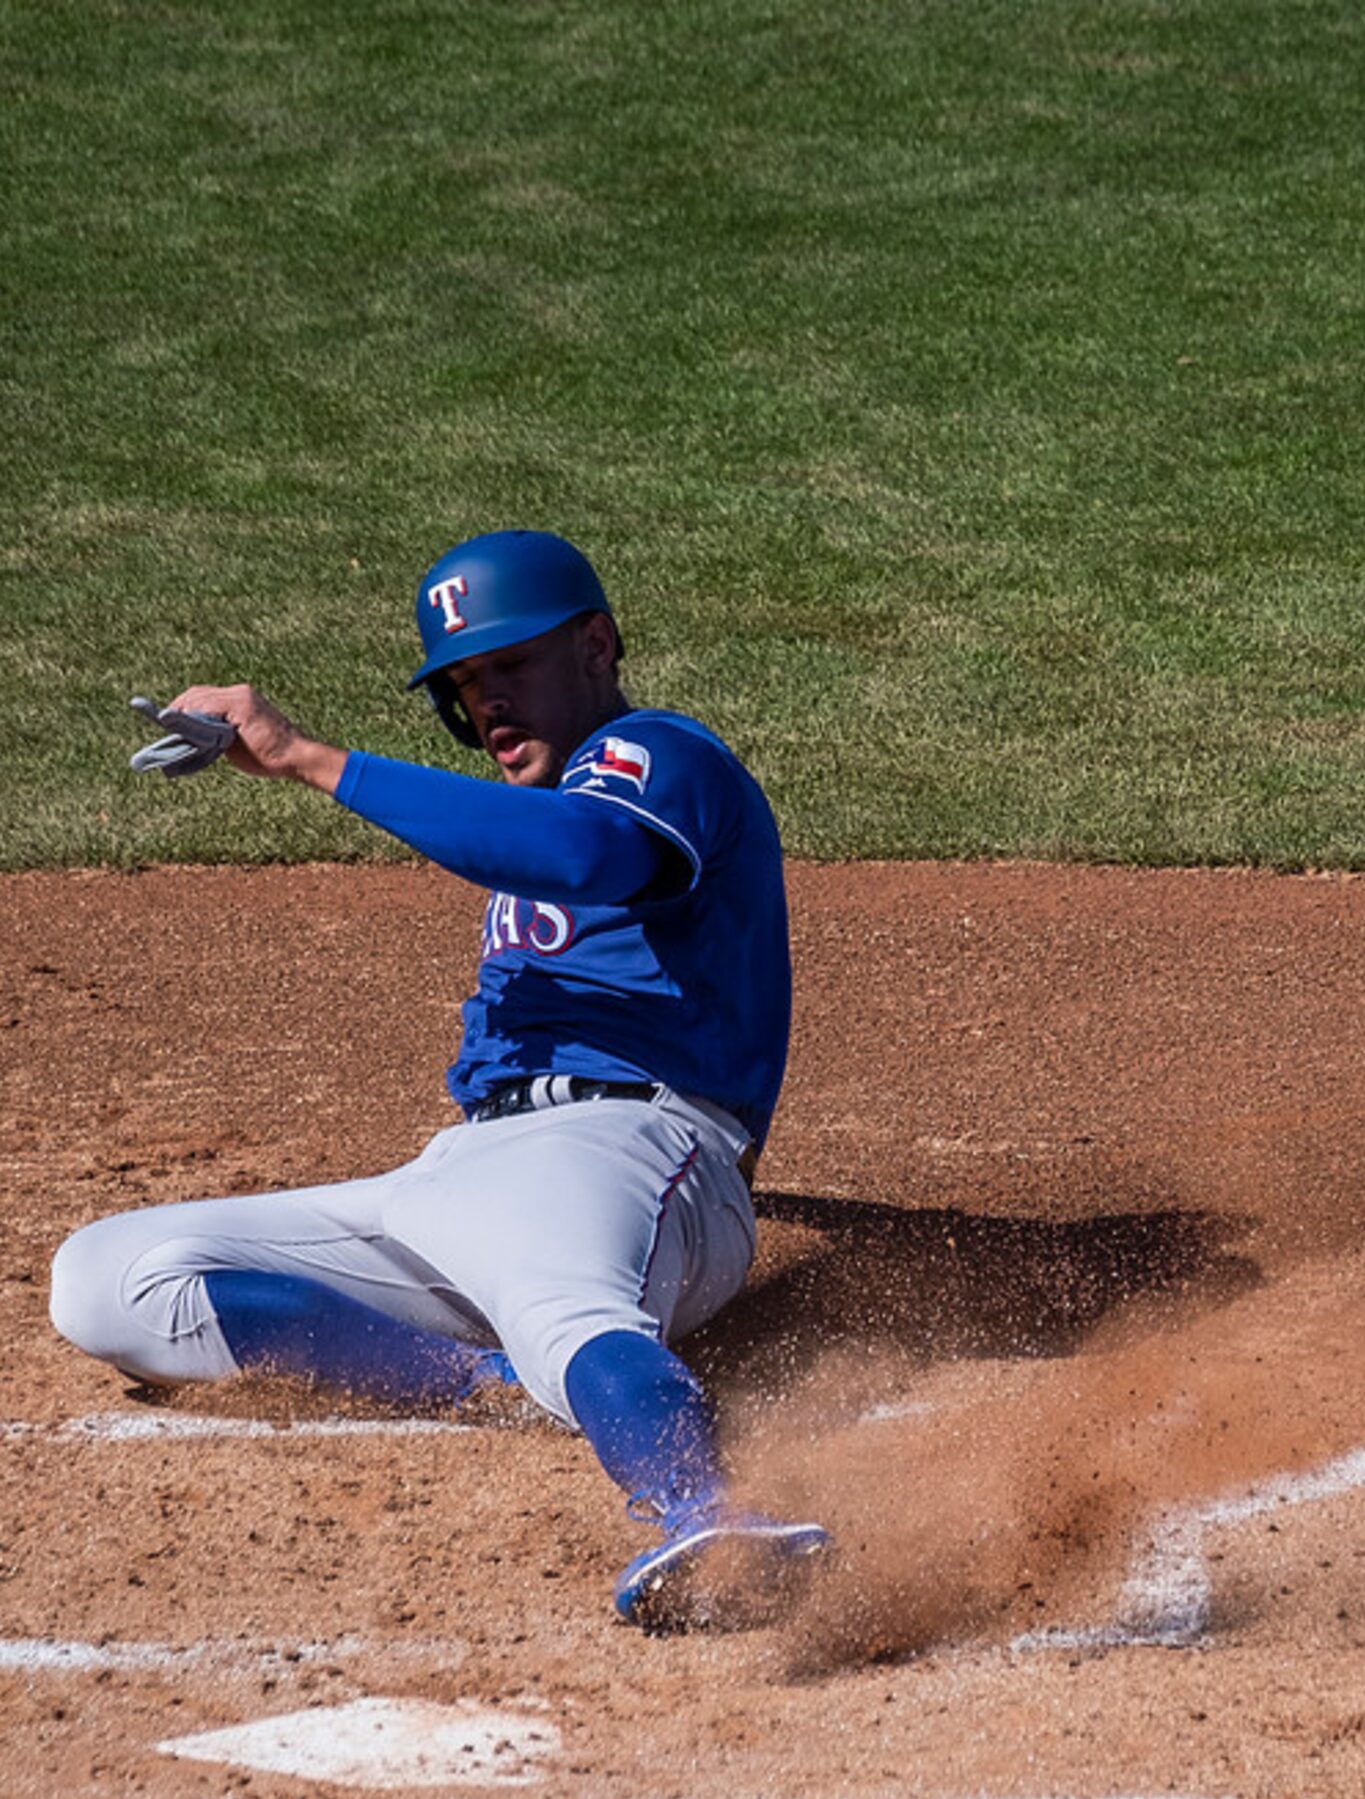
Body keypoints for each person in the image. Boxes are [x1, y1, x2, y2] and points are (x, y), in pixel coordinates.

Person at [52, 529, 829, 1627]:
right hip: (464, 1172)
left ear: (597, 645)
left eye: (509, 668)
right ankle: (486, 1380)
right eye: (466, 686)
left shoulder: (659, 756)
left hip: (628, 1149)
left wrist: (311, 758)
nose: (489, 705)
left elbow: (586, 856)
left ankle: (707, 1509)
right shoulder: (540, 805)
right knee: (106, 1278)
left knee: (564, 1303)